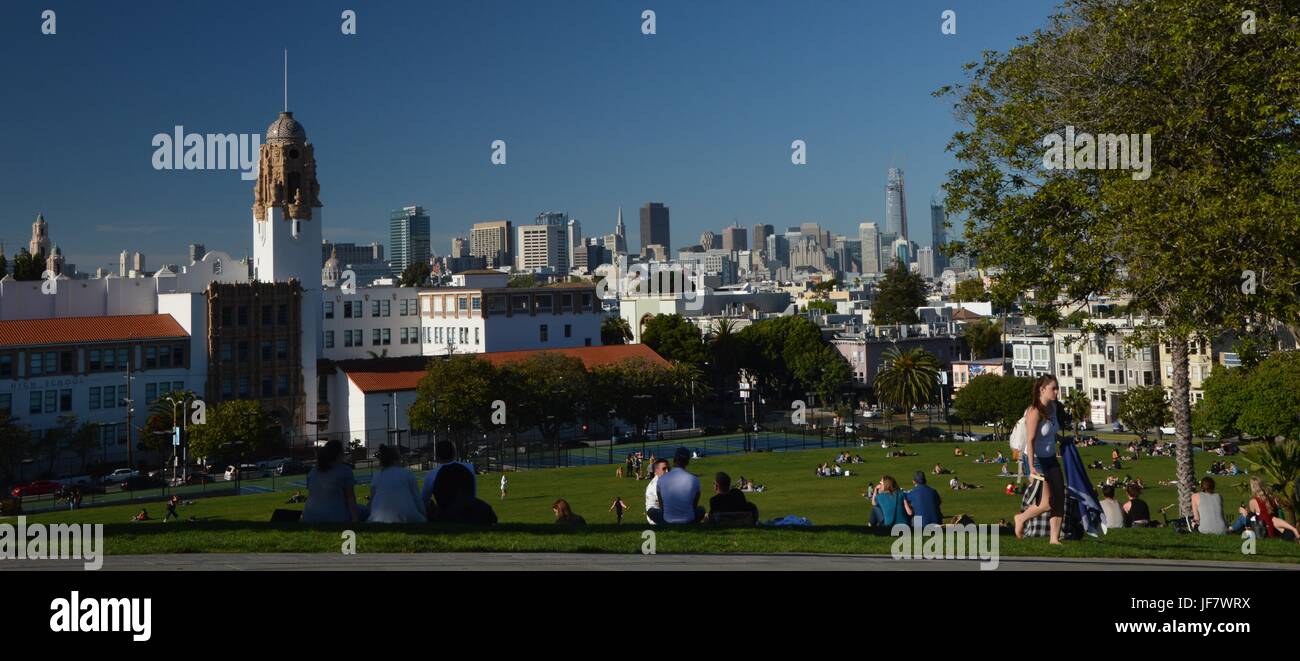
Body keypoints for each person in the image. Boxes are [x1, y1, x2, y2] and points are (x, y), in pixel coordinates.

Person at [1013, 375, 1065, 543]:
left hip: (1050, 458)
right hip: (1036, 460)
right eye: (1053, 388)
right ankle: (1021, 518)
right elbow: (1030, 440)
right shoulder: (1034, 412)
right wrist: (1031, 468)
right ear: (1042, 390)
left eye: (1057, 388)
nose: (1057, 391)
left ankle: (1054, 539)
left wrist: (1062, 440)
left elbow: (1050, 432)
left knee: (1059, 499)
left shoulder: (1054, 407)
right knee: (1046, 503)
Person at [302, 439, 361, 523]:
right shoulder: (345, 470)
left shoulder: (313, 471)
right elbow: (350, 497)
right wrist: (355, 518)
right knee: (363, 510)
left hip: (310, 516)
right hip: (334, 516)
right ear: (339, 454)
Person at [367, 445, 426, 523]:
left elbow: (372, 500)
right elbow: (417, 498)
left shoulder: (376, 476)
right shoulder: (407, 474)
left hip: (379, 517)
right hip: (409, 515)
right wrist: (424, 514)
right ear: (396, 459)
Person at [648, 447, 704, 525]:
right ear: (687, 462)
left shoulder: (661, 480)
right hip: (688, 520)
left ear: (674, 459)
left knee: (651, 511)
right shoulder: (694, 480)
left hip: (667, 520)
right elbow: (694, 505)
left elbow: (662, 506)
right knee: (701, 509)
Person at [420, 440, 478, 508]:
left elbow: (423, 501)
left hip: (445, 514)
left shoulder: (431, 475)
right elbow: (473, 494)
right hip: (468, 512)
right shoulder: (469, 468)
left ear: (437, 455)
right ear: (454, 453)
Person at [644, 458, 670, 524]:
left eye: (668, 469)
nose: (667, 471)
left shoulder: (664, 481)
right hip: (657, 517)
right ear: (656, 471)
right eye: (664, 469)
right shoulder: (655, 485)